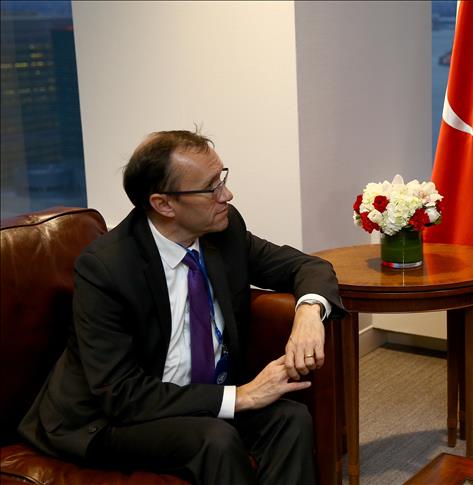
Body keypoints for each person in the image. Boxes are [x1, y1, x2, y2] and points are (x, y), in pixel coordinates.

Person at [18, 130, 345, 485]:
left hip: (197, 397)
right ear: (164, 205)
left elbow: (308, 267)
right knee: (215, 440)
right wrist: (239, 397)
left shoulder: (223, 231)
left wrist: (308, 314)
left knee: (290, 420)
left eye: (222, 179)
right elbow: (122, 394)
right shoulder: (107, 268)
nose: (227, 195)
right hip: (110, 417)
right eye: (211, 188)